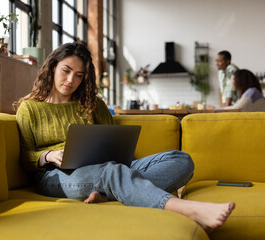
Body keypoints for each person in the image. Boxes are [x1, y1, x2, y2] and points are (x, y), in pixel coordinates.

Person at [14, 42, 235, 232]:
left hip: (106, 168)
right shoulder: (29, 108)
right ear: (52, 67)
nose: (71, 79)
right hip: (56, 176)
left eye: (79, 75)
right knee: (111, 171)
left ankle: (108, 193)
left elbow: (111, 144)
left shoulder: (93, 105)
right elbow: (26, 159)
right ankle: (189, 209)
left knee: (181, 160)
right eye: (66, 70)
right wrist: (49, 155)